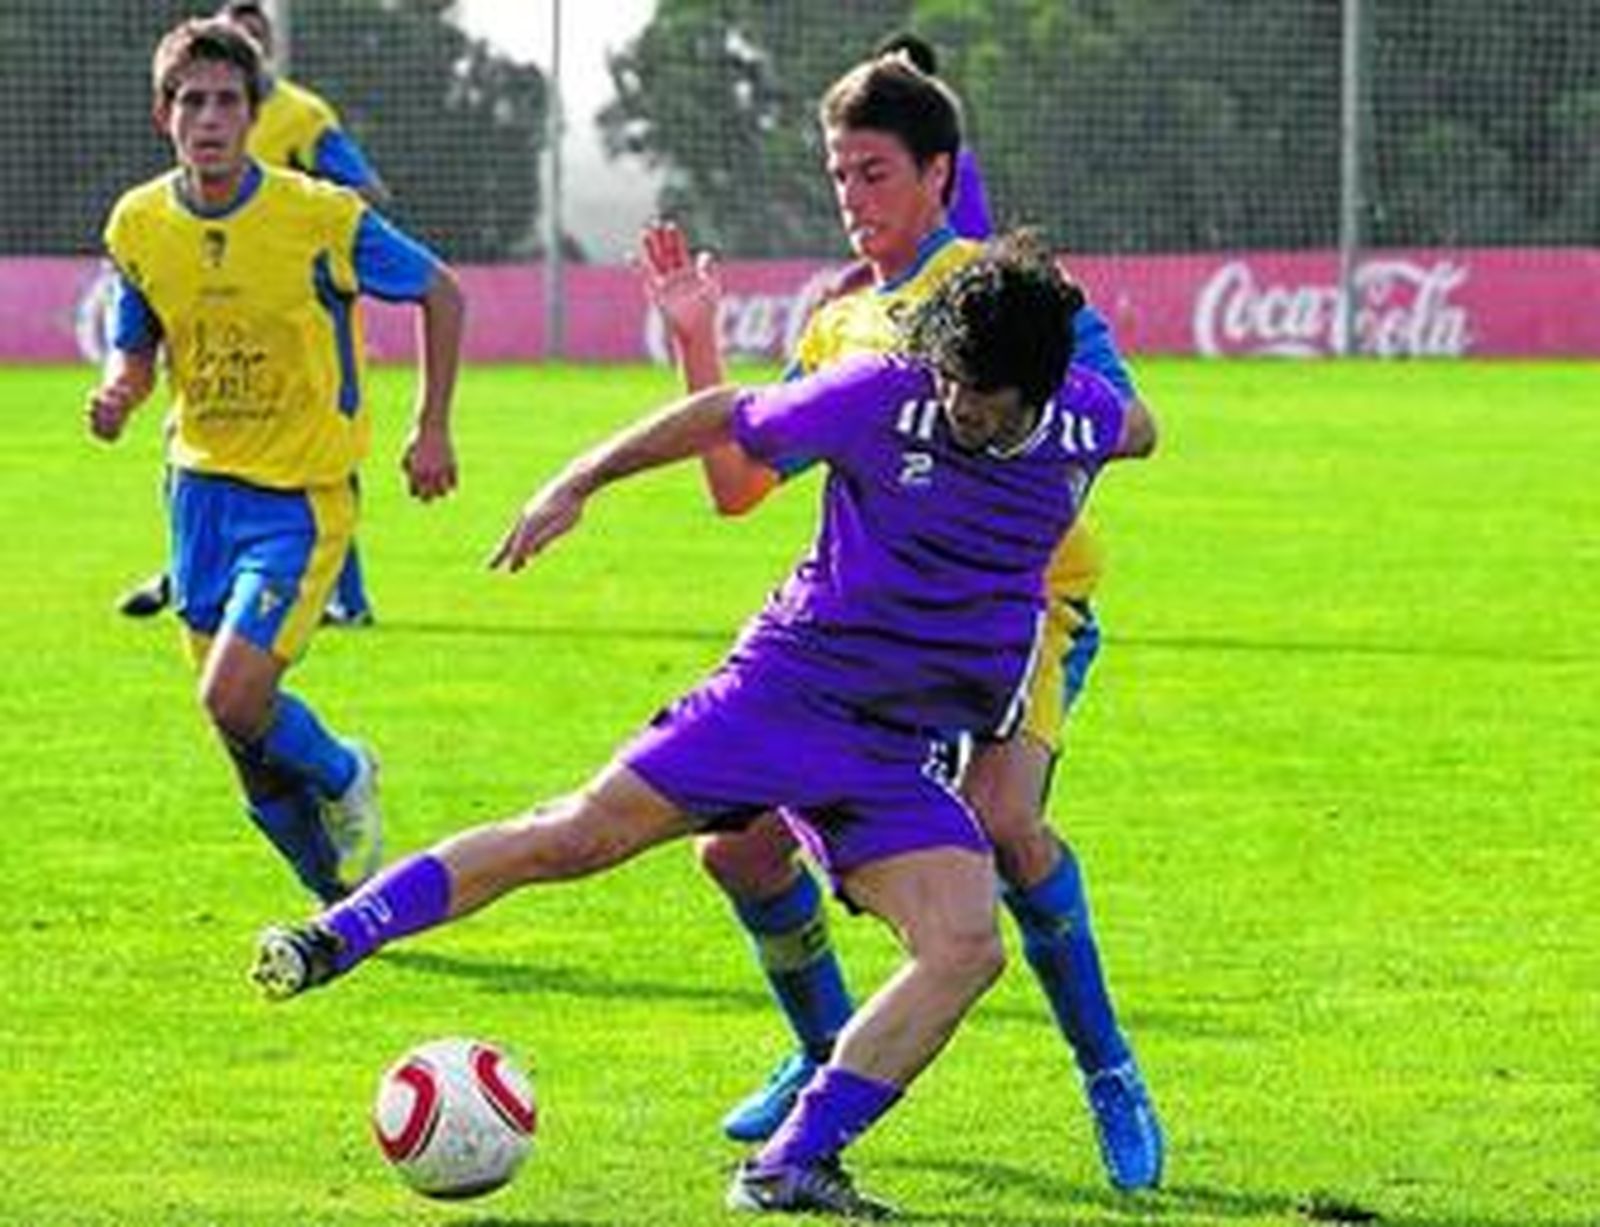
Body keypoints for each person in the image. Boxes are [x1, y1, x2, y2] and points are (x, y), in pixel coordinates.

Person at [252, 234, 1155, 1217]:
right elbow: (727, 416)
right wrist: (578, 483)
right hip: (785, 692)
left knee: (966, 945)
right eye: (949, 379)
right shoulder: (881, 397)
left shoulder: (1091, 422)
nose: (955, 405)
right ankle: (334, 935)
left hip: (894, 749)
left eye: (980, 395)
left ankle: (788, 1164)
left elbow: (1140, 426)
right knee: (579, 835)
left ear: (1037, 390)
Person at [639, 50, 1166, 1191]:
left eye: (873, 174)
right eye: (837, 176)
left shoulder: (1014, 294)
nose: (852, 199)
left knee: (1009, 827)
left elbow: (1126, 418)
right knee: (734, 846)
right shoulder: (838, 323)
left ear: (938, 176)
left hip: (1023, 614)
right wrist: (696, 335)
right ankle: (823, 1049)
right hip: (872, 637)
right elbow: (736, 487)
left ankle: (1109, 1071)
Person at [87, 18, 463, 903]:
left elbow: (441, 290)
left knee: (232, 696)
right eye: (192, 101)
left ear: (254, 114)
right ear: (163, 114)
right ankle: (331, 895)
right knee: (240, 733)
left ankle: (342, 771)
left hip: (298, 498)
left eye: (226, 101)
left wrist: (432, 425)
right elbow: (135, 341)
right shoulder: (138, 223)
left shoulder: (317, 215)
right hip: (196, 494)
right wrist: (117, 390)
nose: (208, 118)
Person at [116, 0, 389, 626]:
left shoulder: (301, 114)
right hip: (210, 294)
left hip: (292, 304)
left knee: (311, 438)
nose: (211, 115)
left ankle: (344, 594)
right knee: (195, 436)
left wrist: (307, 240)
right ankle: (188, 572)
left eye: (254, 35)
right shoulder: (180, 134)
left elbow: (367, 191)